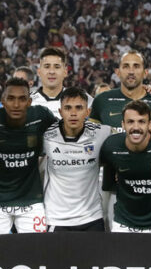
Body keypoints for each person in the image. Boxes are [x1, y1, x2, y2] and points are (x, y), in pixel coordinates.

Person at [90, 51, 151, 227]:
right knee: (110, 238)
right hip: (110, 185)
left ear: (145, 72)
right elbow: (90, 137)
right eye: (126, 66)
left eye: (136, 66)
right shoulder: (102, 100)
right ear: (118, 72)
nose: (131, 71)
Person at [0, 77, 56, 234]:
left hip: (31, 203)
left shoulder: (41, 116)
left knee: (36, 253)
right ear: (3, 101)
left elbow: (64, 133)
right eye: (11, 98)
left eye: (22, 99)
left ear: (29, 102)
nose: (16, 104)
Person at [99, 101, 151, 234]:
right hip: (124, 225)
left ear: (150, 124)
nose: (136, 127)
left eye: (142, 122)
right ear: (123, 125)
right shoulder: (111, 145)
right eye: (130, 122)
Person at [41, 87, 109, 231]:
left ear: (88, 112)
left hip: (92, 218)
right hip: (56, 218)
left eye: (79, 108)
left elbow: (130, 136)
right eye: (67, 108)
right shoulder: (46, 135)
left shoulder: (102, 133)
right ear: (60, 112)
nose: (73, 113)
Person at [30, 47, 80, 117]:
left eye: (57, 67)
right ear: (39, 72)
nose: (52, 71)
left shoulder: (82, 100)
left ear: (65, 72)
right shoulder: (27, 102)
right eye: (47, 67)